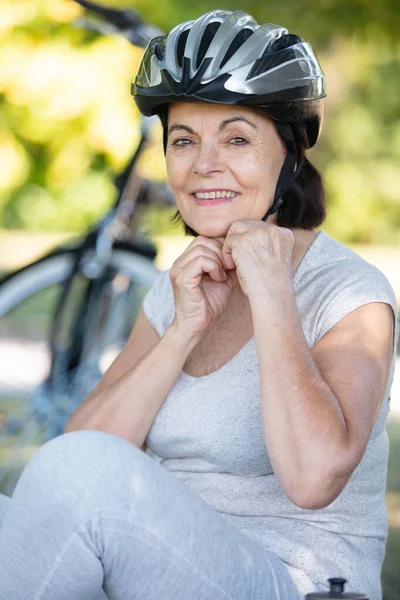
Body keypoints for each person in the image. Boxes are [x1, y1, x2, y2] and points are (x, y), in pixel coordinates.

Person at [0, 9, 398, 600]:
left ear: (287, 157)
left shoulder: (349, 293)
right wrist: (184, 328)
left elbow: (316, 477)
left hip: (292, 579)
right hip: (156, 567)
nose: (203, 163)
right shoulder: (177, 287)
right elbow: (80, 450)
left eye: (236, 138)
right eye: (184, 140)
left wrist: (272, 296)